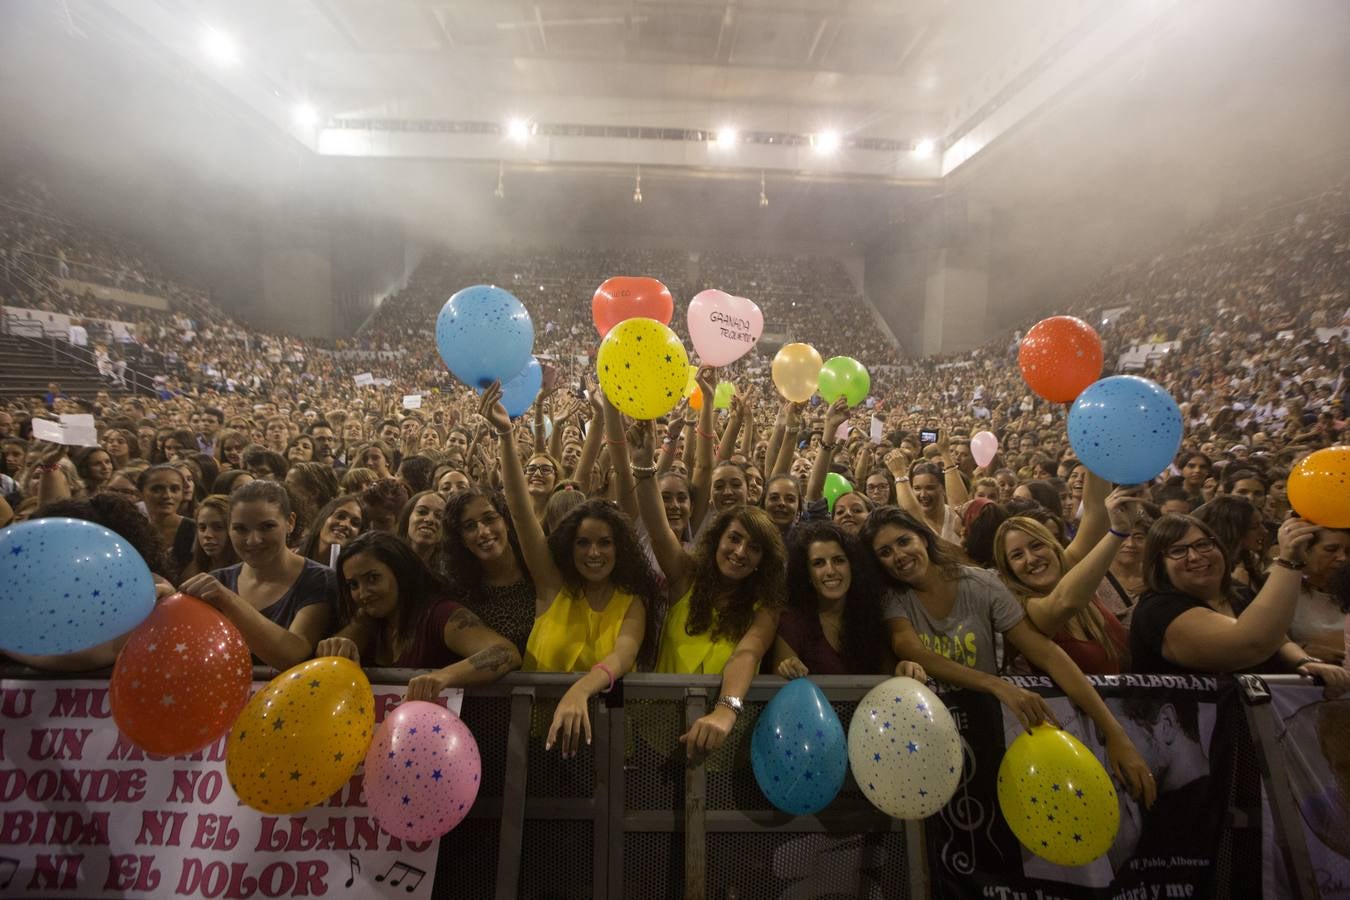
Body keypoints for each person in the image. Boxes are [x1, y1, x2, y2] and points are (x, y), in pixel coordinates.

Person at [860, 507, 1155, 805]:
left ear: (923, 538)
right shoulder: (892, 597)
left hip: (986, 733)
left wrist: (1115, 734)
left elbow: (1047, 654)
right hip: (925, 740)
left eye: (903, 541)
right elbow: (912, 649)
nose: (898, 555)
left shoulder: (980, 584)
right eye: (885, 552)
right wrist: (997, 684)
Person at [482, 381, 652, 759]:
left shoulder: (631, 602)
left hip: (606, 751)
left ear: (619, 547)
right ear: (567, 546)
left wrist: (580, 689)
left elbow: (622, 656)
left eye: (605, 543)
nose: (594, 553)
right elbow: (519, 508)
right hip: (535, 747)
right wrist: (506, 437)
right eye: (583, 543)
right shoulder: (551, 584)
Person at [629, 419, 784, 758]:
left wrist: (726, 711)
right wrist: (643, 466)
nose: (740, 552)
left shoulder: (765, 606)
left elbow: (747, 654)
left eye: (754, 547)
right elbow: (658, 530)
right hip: (655, 734)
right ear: (716, 541)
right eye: (734, 539)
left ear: (763, 559)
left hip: (722, 742)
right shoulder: (686, 576)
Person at [1130, 515, 1349, 690]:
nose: (1195, 556)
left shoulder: (1238, 592)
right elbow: (1251, 643)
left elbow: (1277, 639)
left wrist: (1302, 661)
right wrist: (1289, 560)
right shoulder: (1157, 609)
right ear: (1159, 565)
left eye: (1203, 544)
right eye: (1178, 551)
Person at [317, 532, 519, 698]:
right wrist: (339, 645)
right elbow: (351, 634)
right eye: (353, 585)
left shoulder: (440, 613)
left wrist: (442, 677)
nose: (363, 593)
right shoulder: (368, 621)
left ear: (400, 573)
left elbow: (506, 652)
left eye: (373, 578)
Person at [180, 479, 335, 670]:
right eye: (240, 529)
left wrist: (228, 600)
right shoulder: (219, 581)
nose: (253, 540)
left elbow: (293, 654)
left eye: (267, 527)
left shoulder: (319, 579)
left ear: (290, 523)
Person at [992, 477, 1135, 674]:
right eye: (1017, 555)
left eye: (1037, 545)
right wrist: (1117, 533)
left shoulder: (1068, 567)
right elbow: (1066, 602)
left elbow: (1095, 512)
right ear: (1008, 569)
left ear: (1054, 545)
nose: (1031, 559)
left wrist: (1097, 453)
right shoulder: (1022, 607)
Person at [774, 521, 920, 678]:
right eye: (818, 563)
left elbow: (888, 678)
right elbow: (782, 689)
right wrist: (788, 668)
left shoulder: (873, 615)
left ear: (853, 567)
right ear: (807, 574)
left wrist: (904, 668)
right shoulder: (791, 622)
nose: (830, 571)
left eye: (839, 560)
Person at [441, 488, 536, 657]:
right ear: (461, 538)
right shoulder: (458, 590)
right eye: (470, 526)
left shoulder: (537, 567)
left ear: (506, 521)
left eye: (489, 519)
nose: (483, 532)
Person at [1290, 528, 1350, 665]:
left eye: (1348, 551)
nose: (1343, 558)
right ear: (1305, 551)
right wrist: (1302, 651)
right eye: (1331, 549)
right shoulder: (1285, 588)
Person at [139, 464, 195, 578]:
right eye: (157, 489)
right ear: (141, 493)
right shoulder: (134, 530)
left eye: (174, 489)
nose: (167, 495)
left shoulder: (196, 531)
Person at [297, 493, 366, 566]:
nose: (345, 524)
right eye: (340, 516)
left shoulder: (352, 574)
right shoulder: (290, 555)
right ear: (323, 518)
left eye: (355, 523)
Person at [183, 494, 238, 579]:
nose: (207, 535)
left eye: (218, 527)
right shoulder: (192, 571)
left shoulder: (244, 574)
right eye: (202, 528)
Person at [396, 489, 445, 569]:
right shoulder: (387, 562)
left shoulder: (450, 574)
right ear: (408, 517)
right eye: (422, 512)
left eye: (439, 516)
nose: (430, 519)